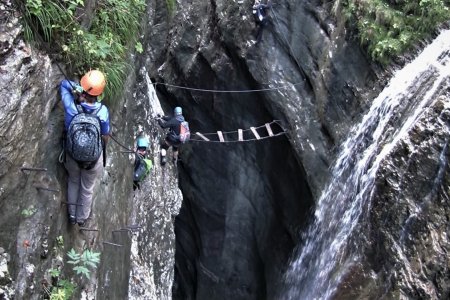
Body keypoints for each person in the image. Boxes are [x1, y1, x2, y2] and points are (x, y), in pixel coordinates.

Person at [60, 70, 110, 226]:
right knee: (87, 188)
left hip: (72, 155)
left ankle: (72, 216)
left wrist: (78, 88)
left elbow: (63, 84)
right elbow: (105, 134)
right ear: (99, 93)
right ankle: (82, 219)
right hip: (92, 160)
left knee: (73, 181)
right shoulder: (102, 112)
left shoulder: (71, 108)